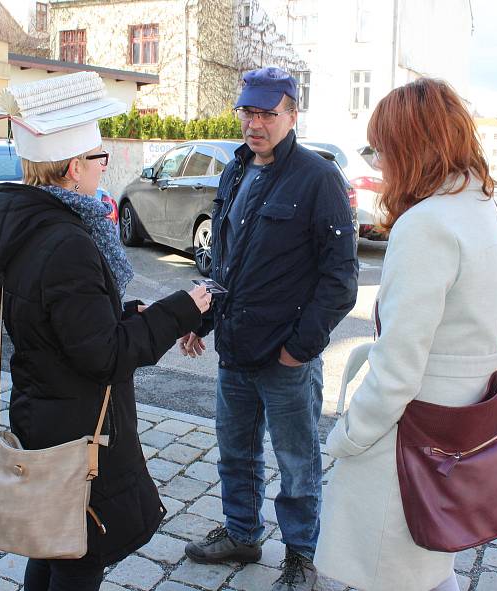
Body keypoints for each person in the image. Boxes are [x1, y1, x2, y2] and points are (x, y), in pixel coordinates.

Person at [0, 72, 212, 591]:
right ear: (73, 167)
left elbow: (65, 325)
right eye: (101, 156)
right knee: (78, 555)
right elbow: (103, 356)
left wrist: (128, 312)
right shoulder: (67, 242)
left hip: (45, 411)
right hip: (77, 430)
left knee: (52, 541)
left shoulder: (30, 223)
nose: (107, 166)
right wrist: (179, 310)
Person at [313, 78, 497, 591]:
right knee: (425, 572)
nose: (378, 163)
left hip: (409, 438)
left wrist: (349, 436)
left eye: (382, 149)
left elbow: (398, 367)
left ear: (411, 148)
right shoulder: (483, 209)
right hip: (455, 429)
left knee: (391, 573)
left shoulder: (427, 224)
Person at [179, 67, 358, 590]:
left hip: (287, 359)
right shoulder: (235, 170)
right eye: (248, 112)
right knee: (235, 452)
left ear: (292, 114)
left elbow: (340, 279)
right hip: (235, 349)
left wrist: (299, 350)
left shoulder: (319, 178)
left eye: (267, 113)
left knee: (297, 463)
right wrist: (202, 319)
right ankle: (242, 533)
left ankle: (301, 555)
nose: (255, 124)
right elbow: (226, 264)